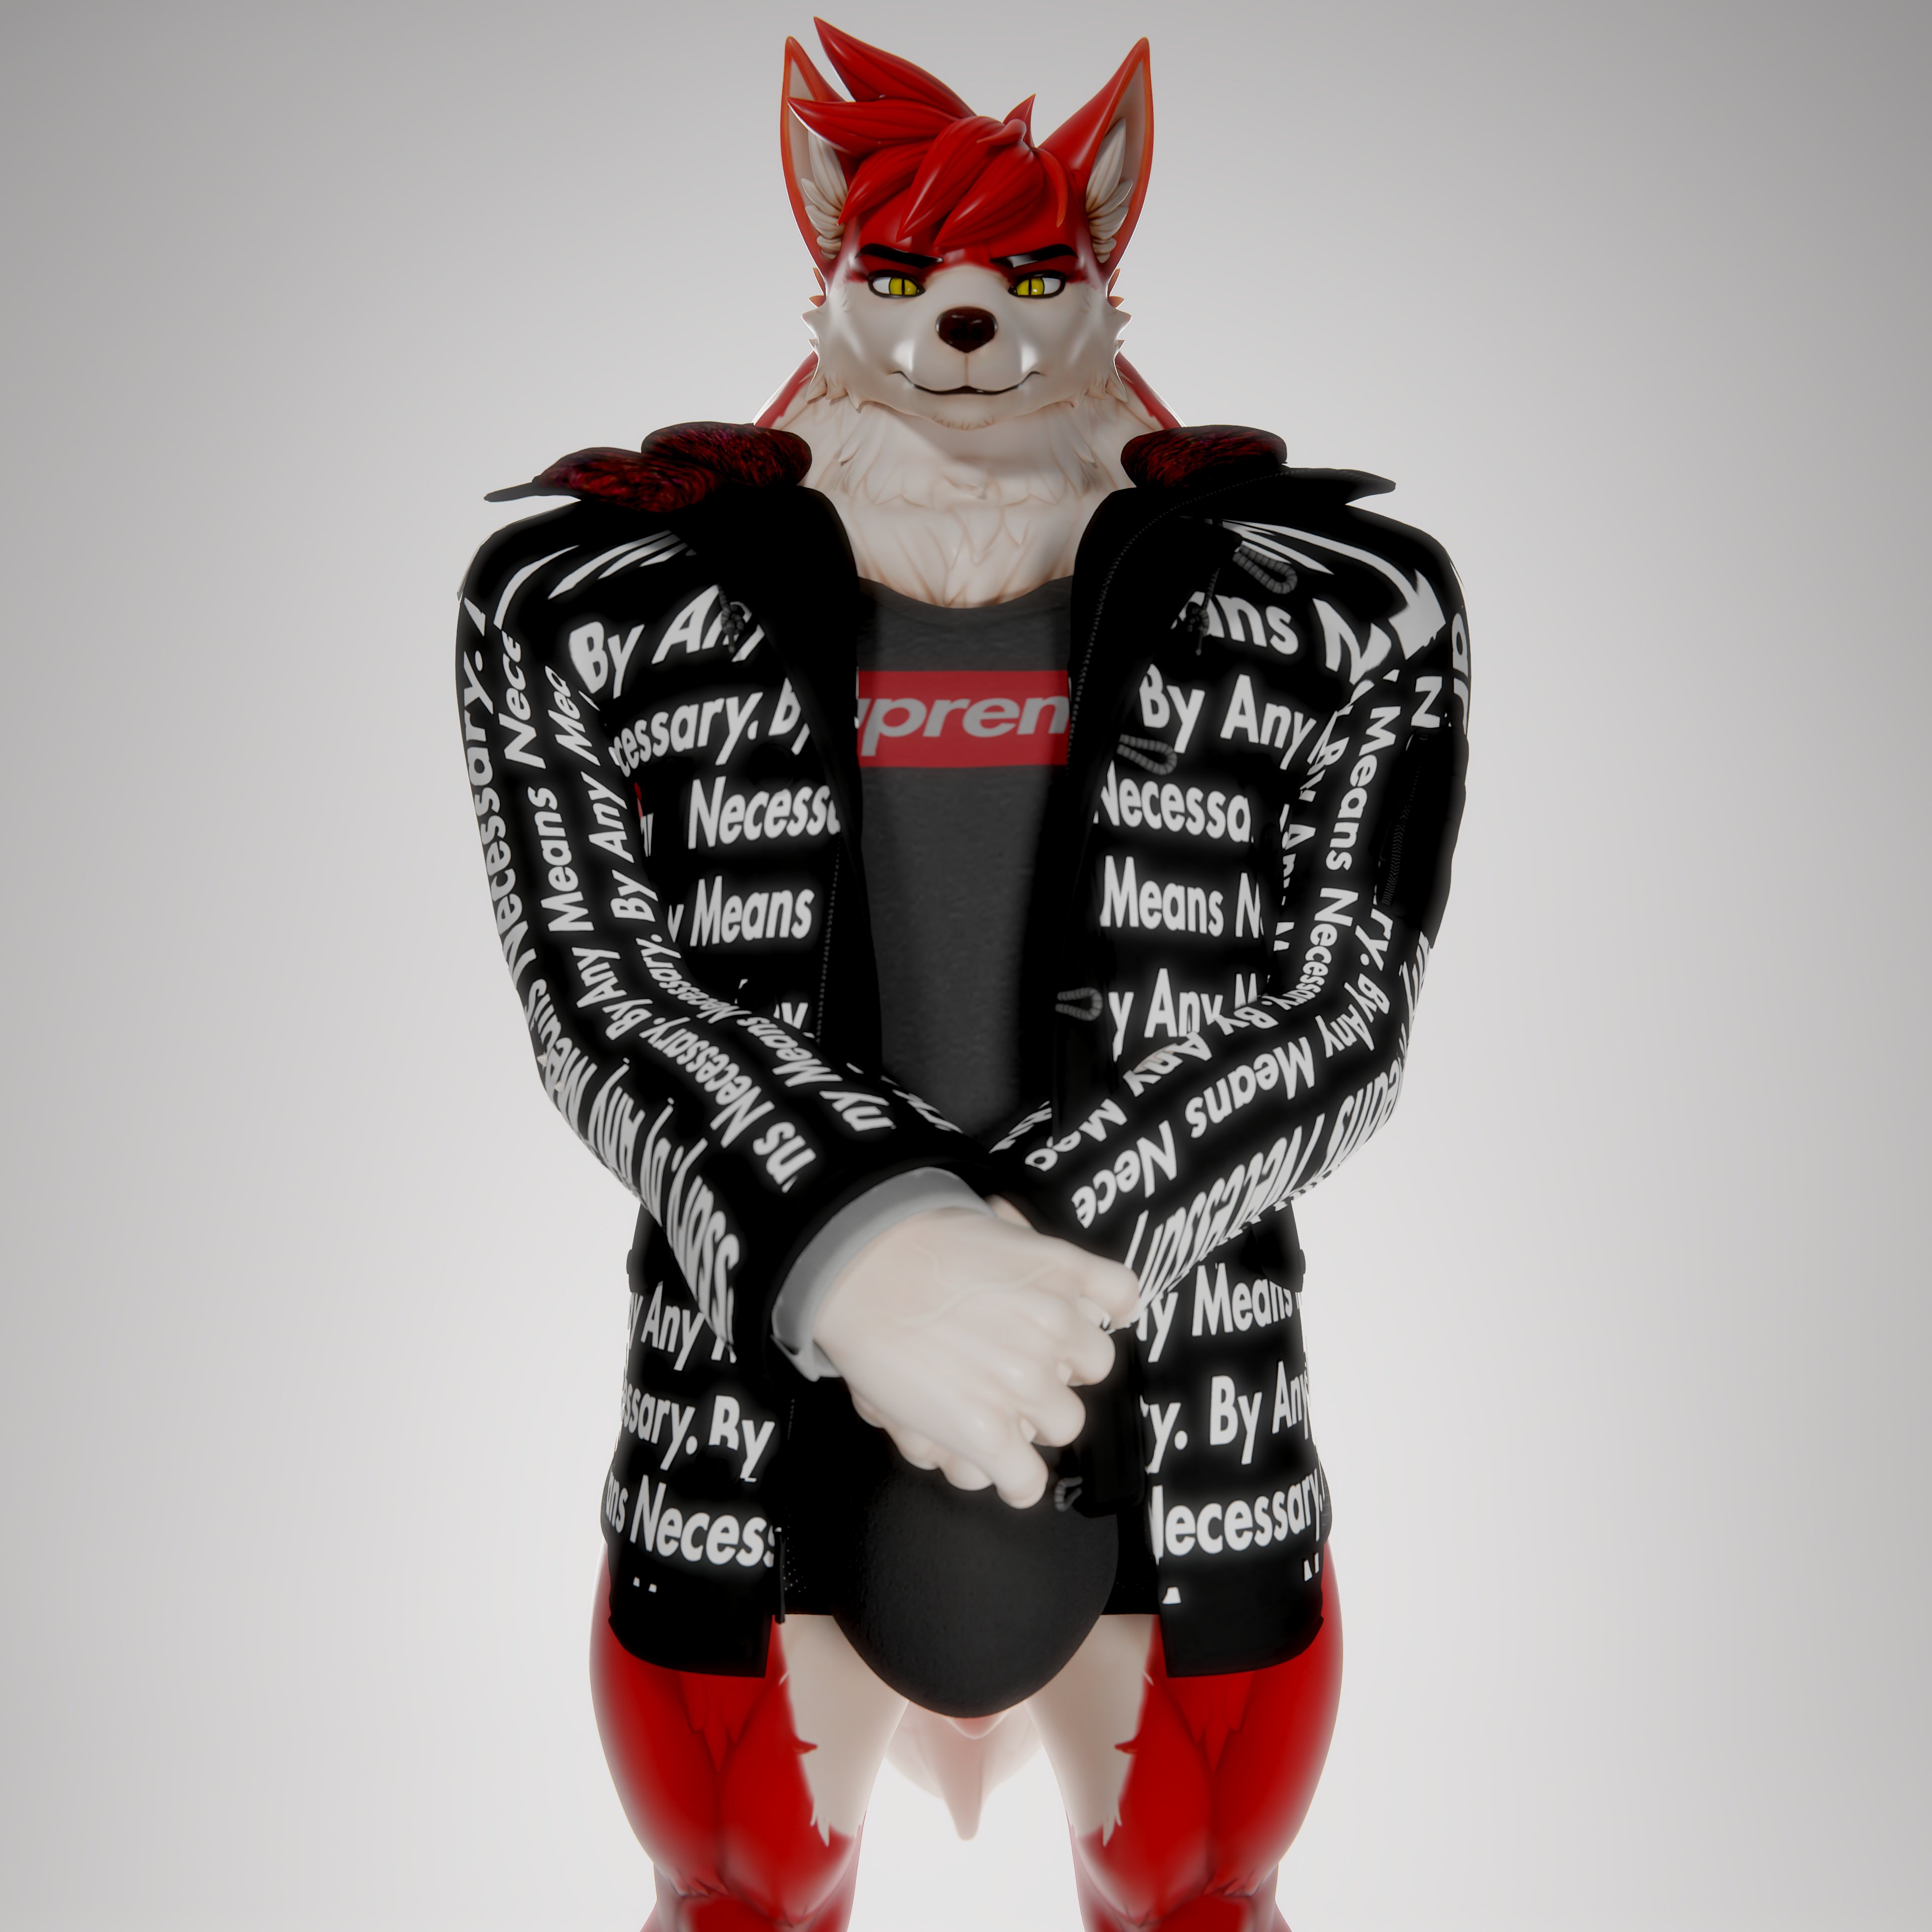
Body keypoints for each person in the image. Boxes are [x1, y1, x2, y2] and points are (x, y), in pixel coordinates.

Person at [457, 22, 1468, 1930]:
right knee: (736, 1884)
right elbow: (595, 988)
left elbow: (1347, 1014)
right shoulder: (588, 607)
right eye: (910, 277)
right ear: (832, 277)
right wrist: (852, 1244)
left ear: (1103, 279)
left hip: (1186, 1407)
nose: (970, 325)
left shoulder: (1344, 610)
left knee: (1202, 1886)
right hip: (743, 1421)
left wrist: (1034, 1253)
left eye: (1031, 278)